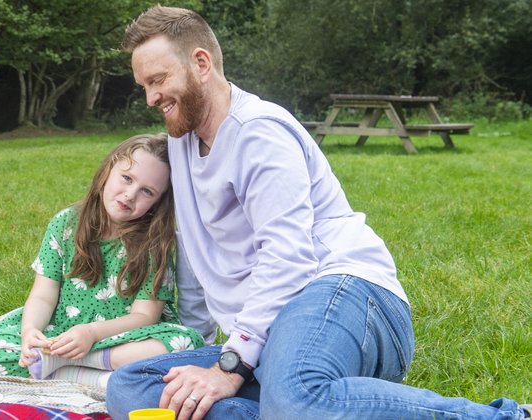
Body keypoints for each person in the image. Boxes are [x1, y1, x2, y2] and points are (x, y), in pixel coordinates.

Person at [106, 5, 531, 420]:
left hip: (346, 293)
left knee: (295, 397)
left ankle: (507, 417)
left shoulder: (259, 133)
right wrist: (205, 361)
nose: (150, 97)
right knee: (132, 385)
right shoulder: (181, 143)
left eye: (158, 80)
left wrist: (228, 369)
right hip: (270, 335)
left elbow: (288, 259)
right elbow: (197, 257)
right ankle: (305, 407)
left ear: (200, 62)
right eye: (144, 85)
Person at [0, 133, 204, 388]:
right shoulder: (65, 224)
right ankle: (95, 376)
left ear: (158, 202)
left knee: (185, 344)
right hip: (62, 332)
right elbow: (43, 296)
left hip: (122, 338)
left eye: (147, 191)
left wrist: (91, 334)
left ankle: (64, 365)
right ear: (107, 170)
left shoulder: (154, 241)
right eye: (126, 178)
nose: (129, 195)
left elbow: (145, 315)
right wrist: (30, 331)